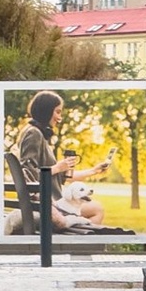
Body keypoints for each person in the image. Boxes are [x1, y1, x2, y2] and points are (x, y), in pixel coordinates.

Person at [12, 90, 109, 229]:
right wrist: (58, 167)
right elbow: (28, 175)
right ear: (46, 110)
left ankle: (78, 236)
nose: (59, 117)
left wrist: (94, 170)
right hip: (51, 205)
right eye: (57, 112)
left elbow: (63, 176)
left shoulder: (37, 133)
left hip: (52, 202)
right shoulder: (34, 133)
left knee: (94, 208)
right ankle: (79, 239)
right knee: (97, 209)